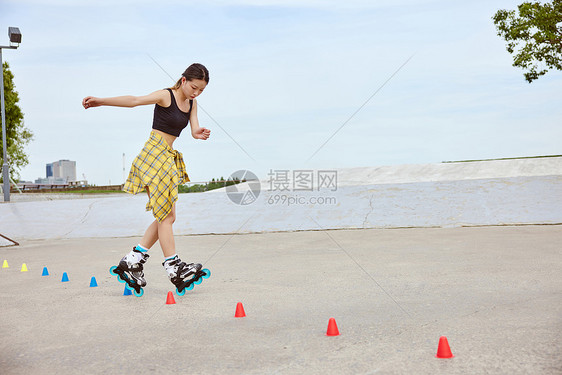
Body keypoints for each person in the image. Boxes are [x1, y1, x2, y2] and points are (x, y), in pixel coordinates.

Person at [82, 63, 211, 294]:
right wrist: (101, 101)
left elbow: (193, 129)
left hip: (167, 157)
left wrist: (198, 134)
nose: (196, 93)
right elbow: (134, 101)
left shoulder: (192, 103)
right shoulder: (165, 95)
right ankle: (173, 266)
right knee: (167, 216)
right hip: (154, 155)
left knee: (167, 216)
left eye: (201, 90)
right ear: (183, 80)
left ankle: (133, 260)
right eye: (194, 87)